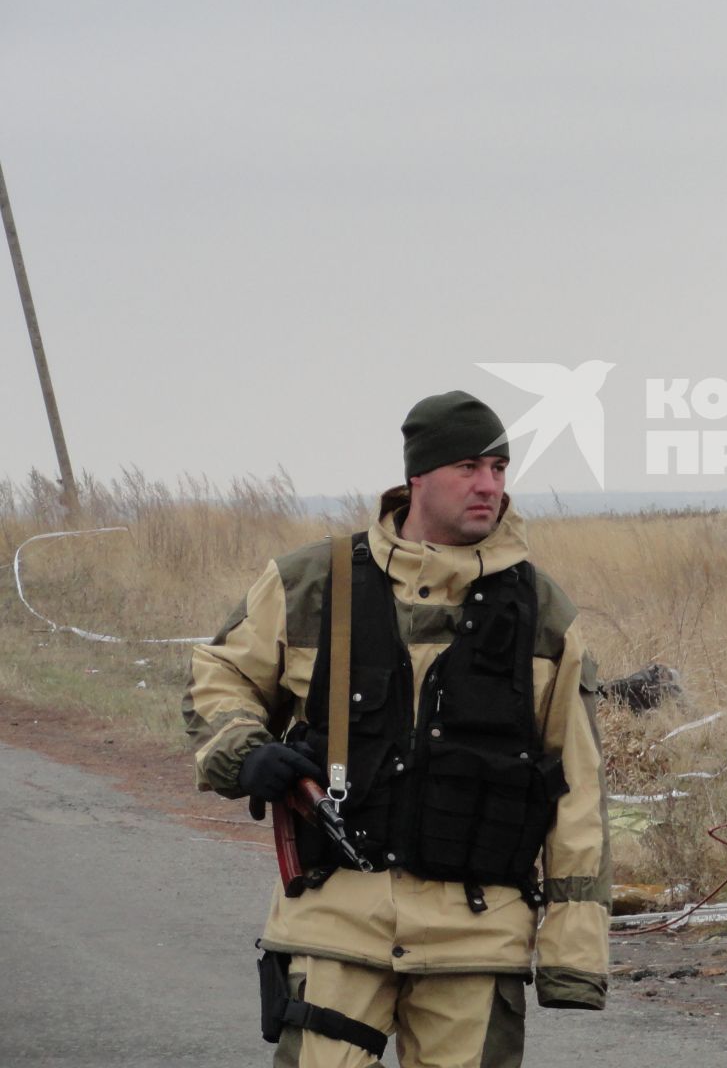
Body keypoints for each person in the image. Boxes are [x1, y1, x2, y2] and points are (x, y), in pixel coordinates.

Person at [184, 390, 610, 1068]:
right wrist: (245, 750)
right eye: (469, 466)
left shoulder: (542, 610)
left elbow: (578, 788)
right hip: (335, 928)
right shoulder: (312, 582)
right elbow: (220, 674)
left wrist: (573, 953)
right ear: (417, 476)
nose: (488, 485)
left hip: (476, 940)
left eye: (499, 468)